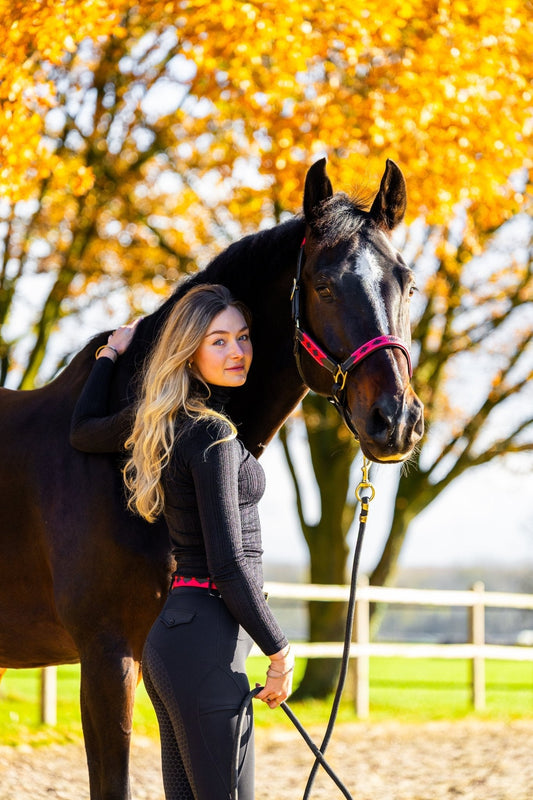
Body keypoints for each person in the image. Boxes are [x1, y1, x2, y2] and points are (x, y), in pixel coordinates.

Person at [70, 284, 294, 800]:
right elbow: (230, 565)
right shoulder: (212, 436)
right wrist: (278, 650)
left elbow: (82, 430)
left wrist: (109, 356)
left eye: (242, 337)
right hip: (209, 641)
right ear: (189, 350)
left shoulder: (163, 420)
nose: (237, 352)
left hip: (172, 640)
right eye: (218, 341)